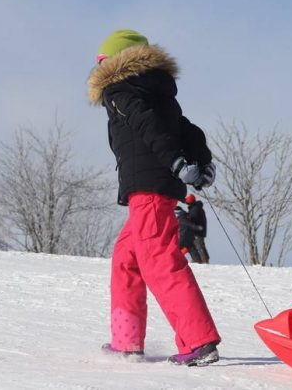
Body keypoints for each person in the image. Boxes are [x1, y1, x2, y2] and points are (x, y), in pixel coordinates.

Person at [88, 29, 220, 366]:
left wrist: (178, 162)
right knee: (126, 258)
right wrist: (202, 163)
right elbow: (188, 130)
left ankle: (198, 340)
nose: (96, 68)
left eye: (100, 62)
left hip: (148, 189)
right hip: (153, 188)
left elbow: (148, 126)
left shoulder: (120, 91)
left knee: (159, 259)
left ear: (116, 62)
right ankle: (126, 340)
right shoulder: (156, 93)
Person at [185, 194, 209, 264]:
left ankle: (204, 259)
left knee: (199, 245)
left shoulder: (195, 209)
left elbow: (192, 218)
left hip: (198, 231)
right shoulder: (196, 207)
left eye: (188, 201)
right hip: (199, 230)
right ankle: (199, 259)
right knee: (197, 244)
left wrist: (186, 218)